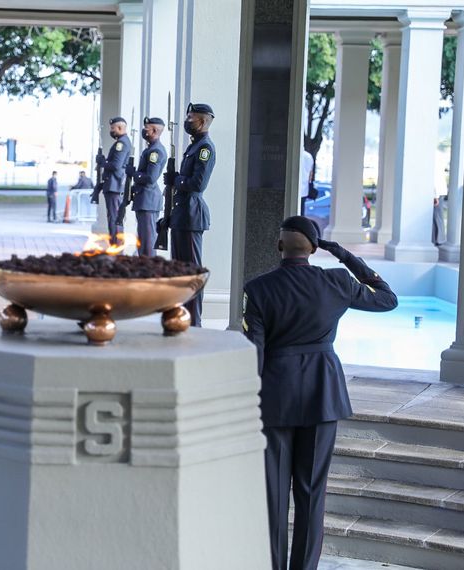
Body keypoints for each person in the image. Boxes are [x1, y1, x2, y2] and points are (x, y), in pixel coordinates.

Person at [242, 216, 397, 570]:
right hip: (321, 396)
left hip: (275, 398)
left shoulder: (258, 288)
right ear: (315, 248)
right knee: (311, 494)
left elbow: (255, 352)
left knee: (275, 496)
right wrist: (346, 257)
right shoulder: (338, 281)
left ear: (279, 246)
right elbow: (387, 298)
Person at [164, 102, 215, 326]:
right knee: (179, 270)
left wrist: (176, 180)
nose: (187, 121)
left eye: (191, 118)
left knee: (193, 272)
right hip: (181, 214)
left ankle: (194, 320)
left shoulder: (205, 148)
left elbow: (197, 184)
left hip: (192, 215)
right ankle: (180, 314)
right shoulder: (194, 146)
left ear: (203, 121)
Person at [132, 117, 167, 256]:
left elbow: (151, 178)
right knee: (142, 240)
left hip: (148, 200)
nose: (144, 130)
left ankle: (149, 270)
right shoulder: (151, 149)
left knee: (147, 243)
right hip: (144, 199)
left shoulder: (155, 152)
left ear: (154, 130)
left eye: (147, 128)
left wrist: (134, 174)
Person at [96, 116, 131, 244]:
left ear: (120, 128)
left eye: (113, 128)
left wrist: (103, 162)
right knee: (113, 217)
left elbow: (116, 165)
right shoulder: (120, 142)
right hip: (112, 185)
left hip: (114, 186)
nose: (111, 131)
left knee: (114, 219)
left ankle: (116, 247)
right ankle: (115, 245)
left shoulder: (121, 143)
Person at [299, 148, 315, 215]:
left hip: (295, 189)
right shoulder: (309, 156)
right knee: (301, 212)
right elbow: (310, 175)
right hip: (304, 190)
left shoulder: (296, 155)